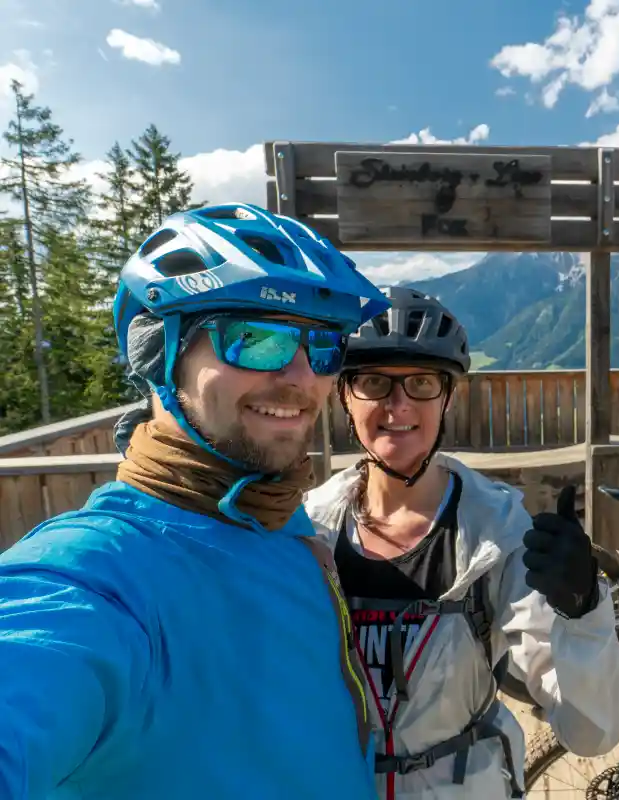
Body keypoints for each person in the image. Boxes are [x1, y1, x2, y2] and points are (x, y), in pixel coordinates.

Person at [0, 203, 392, 799]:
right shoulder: (95, 576)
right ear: (160, 352)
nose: (299, 376)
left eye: (323, 347)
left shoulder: (273, 513)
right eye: (255, 339)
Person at [303, 286, 619, 799]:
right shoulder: (309, 531)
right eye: (373, 382)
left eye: (422, 382)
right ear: (343, 394)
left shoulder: (496, 535)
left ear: (448, 396)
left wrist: (583, 612)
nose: (398, 404)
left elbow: (592, 732)